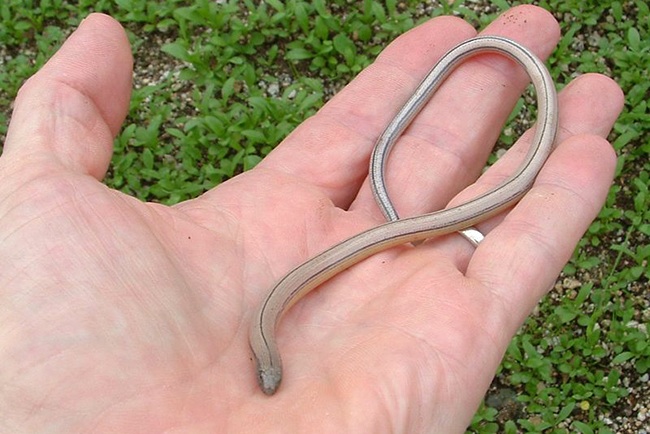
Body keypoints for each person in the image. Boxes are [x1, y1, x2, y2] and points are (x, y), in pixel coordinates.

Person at [0, 5, 623, 433]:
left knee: (532, 163)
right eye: (272, 375)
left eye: (269, 374)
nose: (271, 376)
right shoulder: (262, 336)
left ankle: (506, 68)